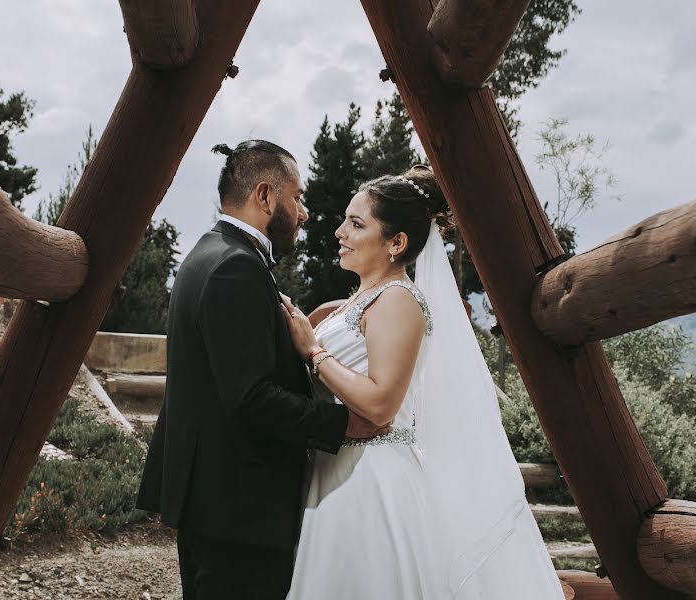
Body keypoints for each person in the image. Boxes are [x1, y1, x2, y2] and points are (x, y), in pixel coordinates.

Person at [282, 165, 565, 599]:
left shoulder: (399, 300)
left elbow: (380, 405)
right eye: (345, 220)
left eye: (356, 224)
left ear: (396, 243)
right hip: (337, 469)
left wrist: (314, 352)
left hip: (371, 482)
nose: (340, 231)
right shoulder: (359, 301)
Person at [136, 140, 388, 600]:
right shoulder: (238, 267)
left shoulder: (207, 253)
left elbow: (224, 369)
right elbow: (250, 396)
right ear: (266, 196)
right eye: (298, 197)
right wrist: (345, 423)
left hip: (213, 502)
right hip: (241, 510)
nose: (305, 212)